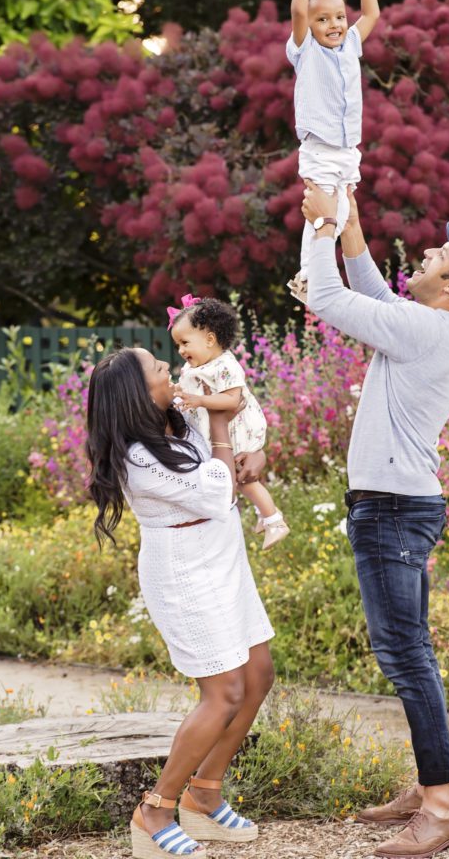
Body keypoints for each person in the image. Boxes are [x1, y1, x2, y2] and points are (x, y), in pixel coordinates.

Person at [301, 181, 449, 859]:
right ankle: (430, 791)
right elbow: (370, 291)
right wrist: (350, 219)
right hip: (398, 505)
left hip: (392, 510)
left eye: (440, 254)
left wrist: (319, 228)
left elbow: (334, 297)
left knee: (404, 656)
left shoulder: (427, 330)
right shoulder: (438, 328)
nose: (426, 249)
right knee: (410, 652)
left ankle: (443, 806)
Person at [86, 346, 275, 859]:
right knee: (224, 692)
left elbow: (237, 448)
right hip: (184, 571)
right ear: (137, 393)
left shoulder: (179, 418)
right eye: (159, 368)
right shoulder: (138, 457)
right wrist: (217, 426)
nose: (171, 367)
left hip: (223, 555)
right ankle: (155, 809)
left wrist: (254, 453)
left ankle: (204, 794)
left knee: (258, 675)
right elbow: (215, 492)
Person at [286, 0, 381, 304]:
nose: (335, 24)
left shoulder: (351, 45)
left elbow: (371, 15)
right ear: (309, 25)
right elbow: (297, 13)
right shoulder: (305, 49)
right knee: (324, 214)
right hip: (320, 149)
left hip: (346, 150)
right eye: (323, 19)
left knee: (341, 214)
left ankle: (313, 275)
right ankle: (309, 275)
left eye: (340, 16)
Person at [168, 294, 289, 550]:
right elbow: (193, 391)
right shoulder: (198, 366)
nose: (181, 350)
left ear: (210, 339)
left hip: (238, 428)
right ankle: (263, 515)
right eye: (178, 344)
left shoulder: (224, 366)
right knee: (241, 477)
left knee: (244, 479)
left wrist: (199, 401)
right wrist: (181, 393)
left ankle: (274, 520)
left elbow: (233, 400)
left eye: (185, 342)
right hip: (222, 429)